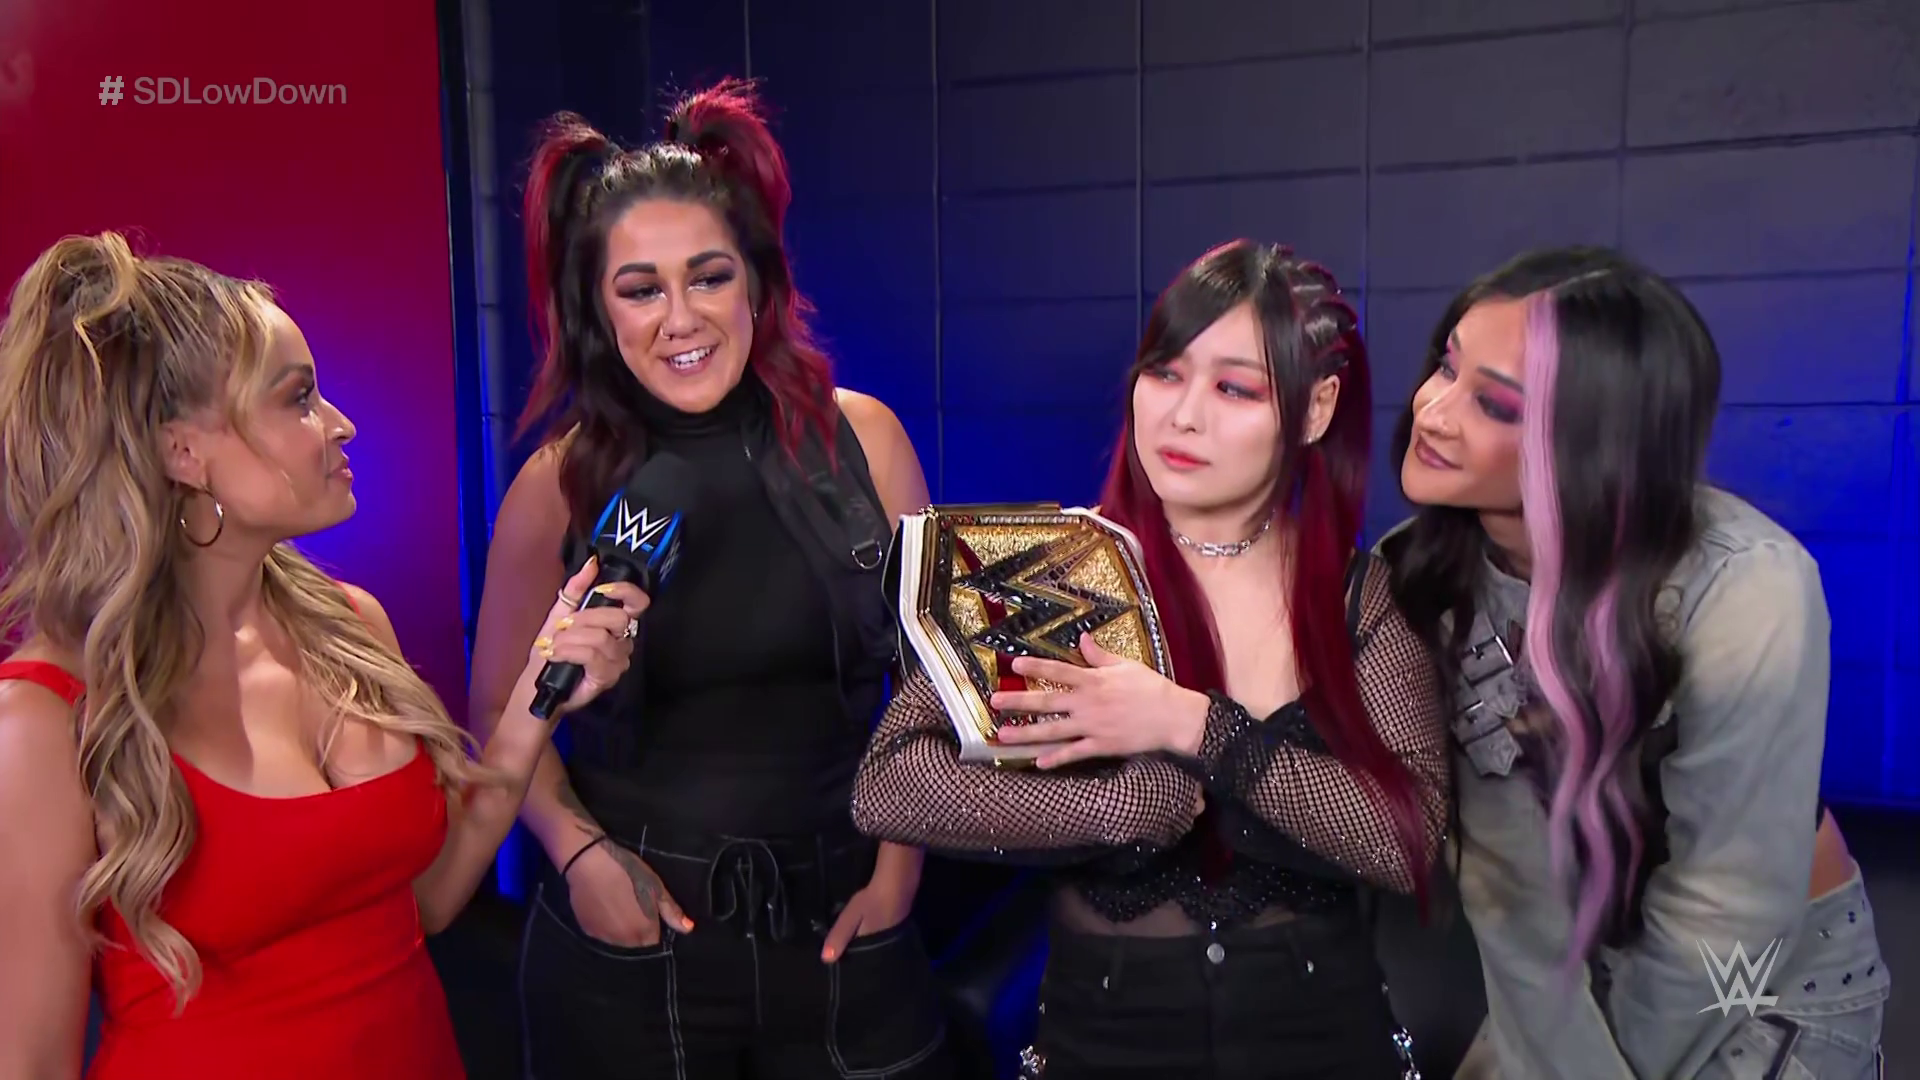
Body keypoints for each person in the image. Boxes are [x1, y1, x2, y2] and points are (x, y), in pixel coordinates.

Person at [0, 233, 647, 1080]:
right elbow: (30, 1061)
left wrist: (541, 689)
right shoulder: (46, 717)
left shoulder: (351, 625)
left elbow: (424, 904)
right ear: (181, 451)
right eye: (298, 398)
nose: (340, 424)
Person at [851, 240, 1449, 1079]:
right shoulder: (1048, 567)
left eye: (1234, 388)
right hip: (1105, 1032)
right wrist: (1127, 805)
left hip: (1322, 1031)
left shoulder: (1355, 594)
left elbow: (1407, 838)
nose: (1183, 415)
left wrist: (1194, 726)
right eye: (1165, 373)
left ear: (1316, 408)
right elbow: (889, 783)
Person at [467, 78, 951, 1079]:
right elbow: (496, 712)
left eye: (709, 277)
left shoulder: (865, 440)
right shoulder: (558, 484)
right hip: (633, 946)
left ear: (756, 284)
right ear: (598, 309)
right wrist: (581, 856)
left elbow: (937, 684)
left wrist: (899, 870)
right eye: (641, 289)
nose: (680, 318)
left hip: (846, 927)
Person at [1376, 246, 1890, 1079]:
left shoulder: (1746, 585)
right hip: (1569, 971)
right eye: (1445, 365)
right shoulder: (1418, 574)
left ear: (1594, 438)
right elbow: (1506, 886)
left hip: (1755, 980)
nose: (1431, 411)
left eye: (1493, 403)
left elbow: (1734, 906)